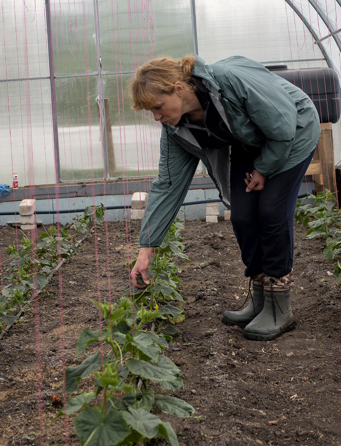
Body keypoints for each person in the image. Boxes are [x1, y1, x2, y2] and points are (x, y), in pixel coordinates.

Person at [127, 55, 320, 341]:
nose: (157, 117)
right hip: (250, 143)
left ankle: (280, 306)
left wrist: (264, 170)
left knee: (271, 211)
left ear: (178, 88)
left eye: (158, 107)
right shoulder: (176, 128)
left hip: (293, 131)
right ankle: (259, 298)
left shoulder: (229, 81)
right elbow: (168, 185)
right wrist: (146, 248)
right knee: (242, 215)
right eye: (151, 112)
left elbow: (282, 128)